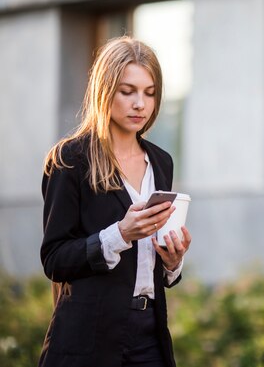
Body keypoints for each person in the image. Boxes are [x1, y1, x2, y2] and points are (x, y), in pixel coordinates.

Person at [39, 36, 192, 367]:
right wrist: (120, 234)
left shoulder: (161, 161)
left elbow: (152, 265)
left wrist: (172, 260)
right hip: (88, 338)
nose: (140, 103)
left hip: (150, 334)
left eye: (150, 93)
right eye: (128, 91)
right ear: (105, 90)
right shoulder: (70, 159)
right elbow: (54, 259)